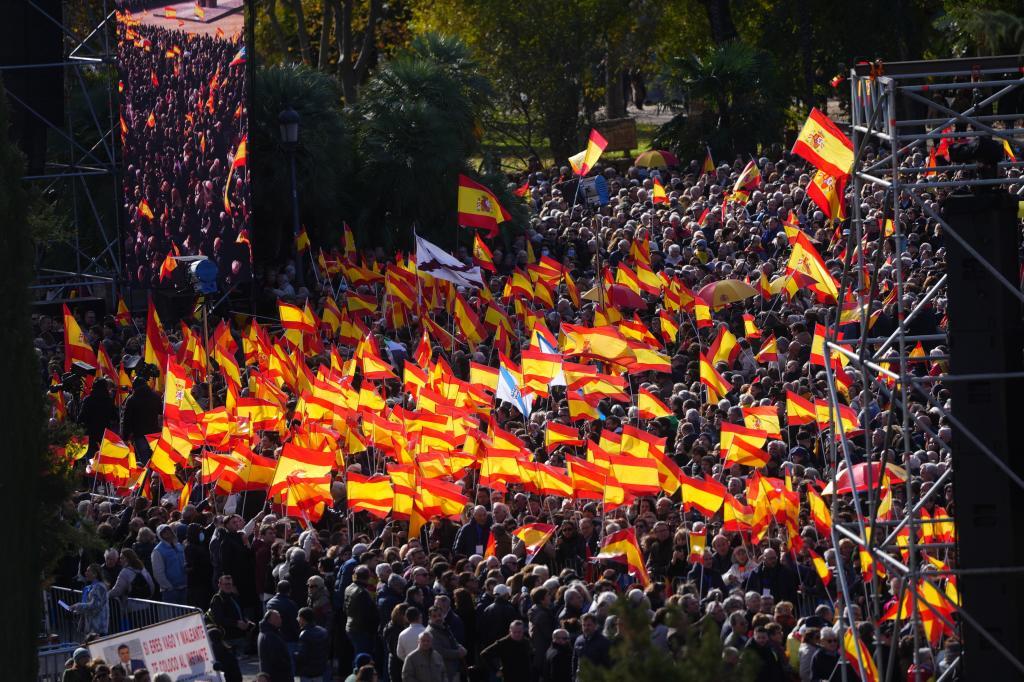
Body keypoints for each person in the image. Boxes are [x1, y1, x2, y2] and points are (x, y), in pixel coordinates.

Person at [345, 564, 380, 659]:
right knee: (362, 656)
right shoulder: (362, 592)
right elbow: (367, 614)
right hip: (361, 629)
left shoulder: (349, 588)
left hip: (351, 625)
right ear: (368, 577)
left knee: (357, 653)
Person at [424, 605, 465, 682]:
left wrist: (460, 647)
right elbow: (440, 652)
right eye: (434, 616)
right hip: (443, 673)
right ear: (430, 617)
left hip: (452, 669)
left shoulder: (444, 626)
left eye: (439, 615)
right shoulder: (430, 632)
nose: (438, 618)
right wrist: (458, 653)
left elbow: (453, 640)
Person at [151, 524, 187, 604]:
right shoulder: (157, 551)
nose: (167, 532)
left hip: (184, 587)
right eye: (163, 531)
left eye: (168, 530)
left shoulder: (179, 546)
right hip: (170, 591)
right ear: (160, 535)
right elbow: (158, 572)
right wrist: (169, 587)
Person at [71, 563, 109, 636]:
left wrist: (78, 606)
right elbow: (87, 604)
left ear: (95, 574)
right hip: (91, 627)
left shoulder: (99, 587)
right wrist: (78, 609)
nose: (85, 573)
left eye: (88, 571)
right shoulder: (92, 587)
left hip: (98, 628)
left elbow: (94, 605)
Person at [295, 606, 331, 682]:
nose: (297, 619)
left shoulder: (304, 634)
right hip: (320, 670)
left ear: (302, 619)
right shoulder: (323, 631)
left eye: (298, 617)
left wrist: (294, 655)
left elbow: (302, 655)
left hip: (307, 672)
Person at [572, 613, 610, 680]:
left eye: (589, 625)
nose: (586, 628)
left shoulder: (604, 642)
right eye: (584, 625)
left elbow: (607, 664)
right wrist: (574, 676)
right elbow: (575, 660)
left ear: (595, 625)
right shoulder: (578, 640)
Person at [257, 609, 293, 682]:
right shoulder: (270, 636)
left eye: (279, 617)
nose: (280, 620)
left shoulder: (266, 632)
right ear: (270, 620)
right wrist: (287, 664)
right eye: (277, 618)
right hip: (278, 676)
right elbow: (276, 658)